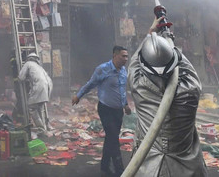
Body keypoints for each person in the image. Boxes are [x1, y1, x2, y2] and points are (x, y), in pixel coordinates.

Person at [127, 18, 206, 176]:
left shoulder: (139, 88)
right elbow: (185, 65)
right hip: (187, 170)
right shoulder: (191, 89)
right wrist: (169, 40)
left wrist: (151, 34)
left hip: (149, 170)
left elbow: (134, 62)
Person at [72, 46, 131, 176]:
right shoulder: (103, 69)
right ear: (115, 55)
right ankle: (120, 170)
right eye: (123, 56)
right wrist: (78, 95)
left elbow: (122, 91)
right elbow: (90, 84)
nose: (126, 59)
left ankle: (104, 166)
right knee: (113, 138)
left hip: (118, 111)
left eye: (127, 56)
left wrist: (126, 105)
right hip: (106, 109)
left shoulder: (123, 71)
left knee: (111, 138)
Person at [18, 52, 53, 133]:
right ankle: (45, 127)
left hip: (39, 86)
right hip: (47, 87)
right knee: (40, 108)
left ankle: (41, 128)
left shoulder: (28, 63)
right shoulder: (40, 67)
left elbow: (21, 77)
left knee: (31, 107)